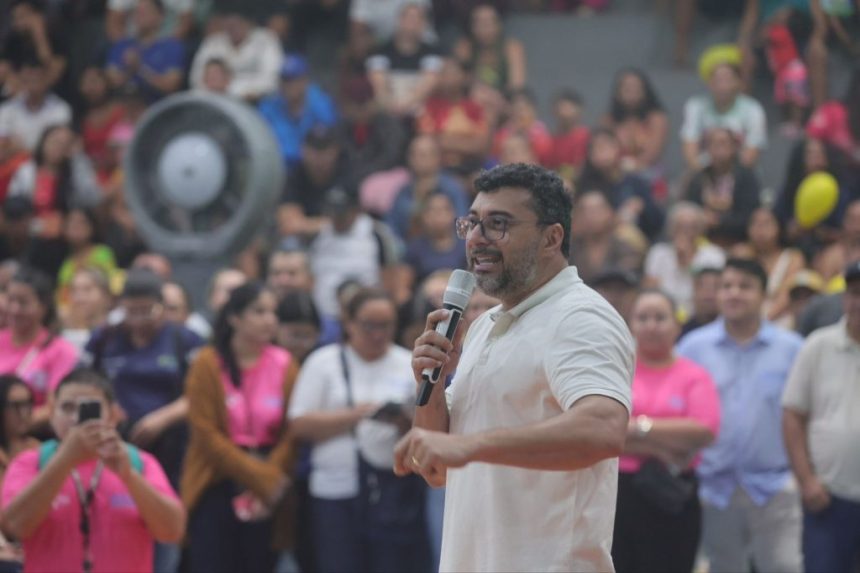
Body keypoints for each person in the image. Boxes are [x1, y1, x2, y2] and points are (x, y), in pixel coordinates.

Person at [395, 163, 635, 571]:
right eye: (472, 223)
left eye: (498, 224)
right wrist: (431, 386)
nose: (476, 238)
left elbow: (603, 429)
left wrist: (470, 445)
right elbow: (437, 469)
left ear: (551, 238)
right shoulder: (483, 325)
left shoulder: (580, 317)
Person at [677, 257, 804, 573]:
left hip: (775, 487)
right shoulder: (693, 347)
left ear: (764, 295)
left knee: (785, 567)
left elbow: (804, 415)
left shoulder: (792, 349)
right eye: (727, 286)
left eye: (745, 286)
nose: (734, 293)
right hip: (714, 489)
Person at [288, 287, 427, 573]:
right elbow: (298, 424)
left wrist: (403, 422)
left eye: (386, 325)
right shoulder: (323, 362)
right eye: (369, 326)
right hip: (335, 489)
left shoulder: (407, 363)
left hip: (390, 491)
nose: (377, 334)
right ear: (349, 324)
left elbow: (427, 427)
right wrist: (356, 415)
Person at [0, 368, 185, 573]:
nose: (76, 418)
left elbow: (172, 531)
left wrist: (130, 477)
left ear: (113, 415)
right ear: (51, 414)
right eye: (67, 408)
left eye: (88, 409)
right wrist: (65, 460)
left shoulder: (139, 462)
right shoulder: (30, 462)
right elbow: (15, 527)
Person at [182, 282, 298, 573]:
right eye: (259, 311)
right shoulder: (207, 363)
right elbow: (205, 433)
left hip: (268, 484)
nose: (270, 320)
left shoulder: (285, 363)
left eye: (273, 312)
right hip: (216, 479)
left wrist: (268, 480)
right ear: (234, 317)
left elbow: (292, 432)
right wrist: (260, 478)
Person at [612, 289, 720, 573]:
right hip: (618, 491)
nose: (651, 326)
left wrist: (636, 428)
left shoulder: (694, 375)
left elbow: (704, 430)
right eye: (642, 318)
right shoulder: (616, 371)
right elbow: (603, 429)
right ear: (631, 325)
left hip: (673, 492)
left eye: (660, 318)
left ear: (676, 325)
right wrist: (663, 445)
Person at [782, 261, 860, 573]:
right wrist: (807, 481)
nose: (858, 302)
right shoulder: (818, 346)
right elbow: (792, 416)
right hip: (828, 499)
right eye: (854, 293)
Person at [0, 266, 77, 428]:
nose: (15, 309)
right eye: (10, 300)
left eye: (23, 303)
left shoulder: (60, 350)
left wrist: (12, 425)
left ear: (43, 307)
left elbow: (55, 406)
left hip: (34, 433)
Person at [680, 61, 767, 171]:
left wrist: (727, 176)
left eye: (728, 80)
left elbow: (751, 155)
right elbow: (690, 151)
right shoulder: (695, 106)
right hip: (703, 172)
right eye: (718, 80)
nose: (722, 86)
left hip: (741, 173)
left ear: (738, 82)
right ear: (709, 82)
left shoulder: (753, 109)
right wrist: (706, 175)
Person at [644, 202, 725, 318]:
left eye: (692, 227)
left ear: (700, 229)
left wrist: (687, 263)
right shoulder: (658, 253)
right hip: (665, 314)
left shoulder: (714, 255)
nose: (685, 231)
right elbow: (650, 290)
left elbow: (714, 291)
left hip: (700, 315)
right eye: (680, 226)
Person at [685, 127, 761, 248]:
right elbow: (688, 210)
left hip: (739, 241)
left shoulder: (746, 177)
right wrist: (702, 219)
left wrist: (719, 221)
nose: (718, 148)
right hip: (702, 242)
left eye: (723, 143)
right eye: (714, 144)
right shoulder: (698, 179)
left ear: (734, 147)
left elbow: (750, 216)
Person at [258, 55, 338, 166]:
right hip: (279, 167)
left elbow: (329, 142)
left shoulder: (321, 104)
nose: (288, 86)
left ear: (305, 81)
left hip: (312, 168)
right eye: (285, 80)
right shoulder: (268, 107)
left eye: (293, 80)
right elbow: (261, 144)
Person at [366, 3, 442, 118]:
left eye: (418, 19)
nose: (413, 23)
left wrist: (405, 105)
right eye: (409, 18)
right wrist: (391, 104)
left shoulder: (432, 53)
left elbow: (428, 85)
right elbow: (379, 86)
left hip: (420, 111)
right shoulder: (380, 51)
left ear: (424, 24)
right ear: (399, 20)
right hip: (388, 110)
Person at [189, 10, 283, 102]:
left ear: (248, 23)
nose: (233, 27)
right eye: (229, 24)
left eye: (238, 23)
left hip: (256, 102)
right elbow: (196, 78)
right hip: (213, 101)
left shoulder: (266, 39)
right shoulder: (212, 42)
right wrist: (218, 90)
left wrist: (235, 91)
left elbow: (272, 81)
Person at [601, 68, 669, 193]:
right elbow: (602, 151)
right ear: (618, 92)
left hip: (648, 177)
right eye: (627, 88)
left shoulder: (657, 119)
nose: (632, 92)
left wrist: (632, 166)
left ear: (645, 91)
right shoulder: (608, 121)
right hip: (614, 178)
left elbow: (653, 154)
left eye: (636, 88)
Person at [733, 208, 805, 322]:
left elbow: (786, 296)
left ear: (779, 227)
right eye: (755, 223)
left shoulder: (793, 258)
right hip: (742, 316)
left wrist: (764, 322)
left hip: (779, 317)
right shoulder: (741, 254)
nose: (760, 229)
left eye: (766, 223)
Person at [105, 0, 186, 103]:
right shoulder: (121, 45)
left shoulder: (172, 47)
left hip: (157, 107)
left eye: (145, 11)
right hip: (122, 106)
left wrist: (140, 68)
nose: (140, 16)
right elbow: (110, 83)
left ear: (160, 16)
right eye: (137, 12)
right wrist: (129, 70)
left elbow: (171, 86)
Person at [453, 3, 526, 96]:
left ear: (499, 25)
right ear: (472, 27)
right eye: (479, 23)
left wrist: (495, 96)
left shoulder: (511, 48)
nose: (484, 28)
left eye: (489, 22)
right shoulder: (465, 47)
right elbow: (457, 82)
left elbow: (517, 85)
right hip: (472, 98)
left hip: (504, 98)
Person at [0, 60, 71, 151]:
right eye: (29, 79)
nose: (33, 83)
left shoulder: (61, 109)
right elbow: (2, 146)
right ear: (22, 79)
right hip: (15, 159)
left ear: (47, 79)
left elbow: (58, 147)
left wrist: (19, 146)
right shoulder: (7, 109)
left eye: (37, 79)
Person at [60, 267, 114, 353]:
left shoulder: (118, 330)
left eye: (87, 289)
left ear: (106, 295)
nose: (79, 298)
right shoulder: (60, 336)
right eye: (74, 291)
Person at [679, 266, 722, 339]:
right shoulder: (682, 333)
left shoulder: (735, 332)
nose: (709, 294)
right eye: (702, 286)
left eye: (716, 287)